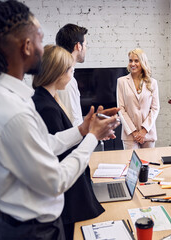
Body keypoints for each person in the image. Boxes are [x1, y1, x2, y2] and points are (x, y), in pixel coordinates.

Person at [0, 1, 119, 239]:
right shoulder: (13, 112)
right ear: (27, 46)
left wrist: (82, 129)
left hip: (11, 222)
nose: (45, 47)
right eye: (40, 38)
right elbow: (55, 181)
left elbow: (41, 144)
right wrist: (93, 137)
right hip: (33, 231)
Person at [32, 45, 106, 240]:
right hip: (64, 200)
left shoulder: (46, 99)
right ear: (59, 73)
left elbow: (56, 141)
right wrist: (92, 135)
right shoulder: (46, 107)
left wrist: (85, 129)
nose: (73, 74)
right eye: (71, 70)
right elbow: (61, 156)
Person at [117, 48, 160, 149]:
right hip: (129, 134)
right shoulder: (121, 82)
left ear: (142, 62)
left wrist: (144, 131)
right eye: (130, 60)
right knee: (131, 164)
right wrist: (134, 132)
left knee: (148, 163)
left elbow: (155, 108)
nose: (132, 64)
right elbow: (121, 109)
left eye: (136, 60)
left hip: (148, 133)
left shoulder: (152, 82)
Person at [56, 23, 87, 126]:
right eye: (85, 45)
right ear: (79, 46)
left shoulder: (59, 74)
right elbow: (74, 123)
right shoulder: (67, 81)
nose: (86, 49)